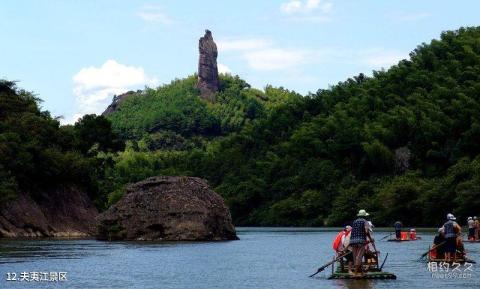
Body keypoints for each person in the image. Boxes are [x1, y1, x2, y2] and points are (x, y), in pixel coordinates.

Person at [349, 209, 374, 277]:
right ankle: (356, 273)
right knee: (359, 257)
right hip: (361, 241)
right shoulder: (365, 221)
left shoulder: (354, 221)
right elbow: (366, 231)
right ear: (364, 216)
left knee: (355, 256)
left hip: (352, 241)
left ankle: (362, 272)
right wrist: (370, 239)